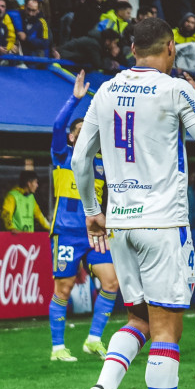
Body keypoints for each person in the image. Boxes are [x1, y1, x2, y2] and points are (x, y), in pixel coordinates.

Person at [73, 17, 195, 389]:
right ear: (171, 48)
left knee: (139, 319)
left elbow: (81, 160)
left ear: (131, 49)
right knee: (167, 329)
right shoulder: (175, 89)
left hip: (120, 225)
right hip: (162, 225)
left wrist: (92, 211)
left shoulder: (106, 91)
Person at [46, 71, 121, 362]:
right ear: (72, 136)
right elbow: (57, 125)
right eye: (80, 129)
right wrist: (74, 100)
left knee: (111, 282)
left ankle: (93, 339)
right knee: (63, 289)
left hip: (95, 234)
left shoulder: (101, 162)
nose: (85, 132)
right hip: (66, 232)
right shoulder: (62, 155)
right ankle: (57, 348)